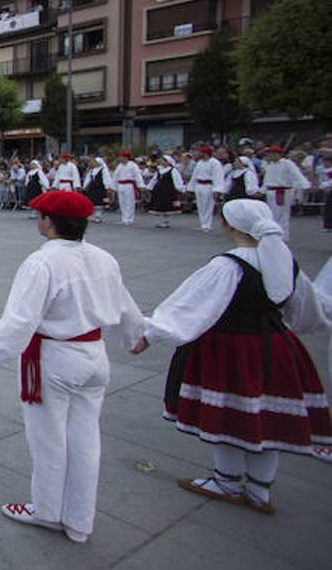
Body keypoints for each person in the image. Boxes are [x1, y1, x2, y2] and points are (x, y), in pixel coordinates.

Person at [132, 200, 330, 511]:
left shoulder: (229, 265)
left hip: (230, 347)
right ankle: (260, 490)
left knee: (227, 411)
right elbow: (306, 307)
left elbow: (190, 305)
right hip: (275, 345)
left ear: (231, 226)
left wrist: (150, 333)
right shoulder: (282, 259)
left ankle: (226, 481)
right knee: (264, 415)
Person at [0, 191, 144, 543]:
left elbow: (20, 319)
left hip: (56, 356)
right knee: (85, 439)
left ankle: (48, 510)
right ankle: (80, 521)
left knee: (49, 437)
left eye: (40, 216)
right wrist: (134, 336)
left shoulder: (43, 263)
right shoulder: (103, 258)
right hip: (95, 354)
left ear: (50, 222)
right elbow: (123, 303)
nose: (38, 221)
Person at [260, 146, 311, 238]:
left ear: (278, 154)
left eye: (271, 154)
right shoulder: (270, 165)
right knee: (272, 212)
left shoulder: (287, 164)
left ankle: (282, 234)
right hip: (271, 191)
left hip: (282, 191)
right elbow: (267, 179)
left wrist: (305, 185)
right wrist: (262, 190)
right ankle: (274, 232)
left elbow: (296, 174)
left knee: (282, 213)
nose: (269, 156)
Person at [188, 146, 224, 232]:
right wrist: (190, 188)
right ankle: (203, 223)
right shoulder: (199, 163)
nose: (197, 154)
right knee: (200, 205)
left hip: (208, 186)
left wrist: (217, 190)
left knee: (208, 205)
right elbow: (194, 176)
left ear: (205, 153)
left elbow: (218, 176)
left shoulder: (215, 163)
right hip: (199, 185)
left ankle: (207, 225)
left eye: (199, 152)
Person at [146, 155, 184, 229]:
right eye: (162, 160)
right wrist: (149, 187)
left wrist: (180, 188)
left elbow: (177, 179)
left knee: (167, 205)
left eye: (164, 161)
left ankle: (166, 221)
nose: (162, 162)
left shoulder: (172, 170)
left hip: (168, 190)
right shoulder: (159, 170)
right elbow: (154, 180)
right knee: (161, 205)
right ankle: (164, 221)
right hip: (160, 190)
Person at [112, 152, 145, 227]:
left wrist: (141, 185)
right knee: (122, 202)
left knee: (129, 202)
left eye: (121, 157)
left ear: (126, 157)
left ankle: (129, 219)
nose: (120, 158)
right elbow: (115, 176)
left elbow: (137, 175)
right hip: (120, 185)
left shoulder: (133, 165)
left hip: (129, 185)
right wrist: (113, 187)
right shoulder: (119, 166)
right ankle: (124, 219)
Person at [82, 157, 112, 224]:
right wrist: (85, 186)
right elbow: (88, 179)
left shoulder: (103, 170)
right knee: (93, 202)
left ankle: (98, 217)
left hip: (100, 188)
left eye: (94, 162)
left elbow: (106, 179)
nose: (92, 163)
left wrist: (107, 187)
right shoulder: (91, 170)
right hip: (92, 189)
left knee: (99, 203)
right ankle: (93, 216)